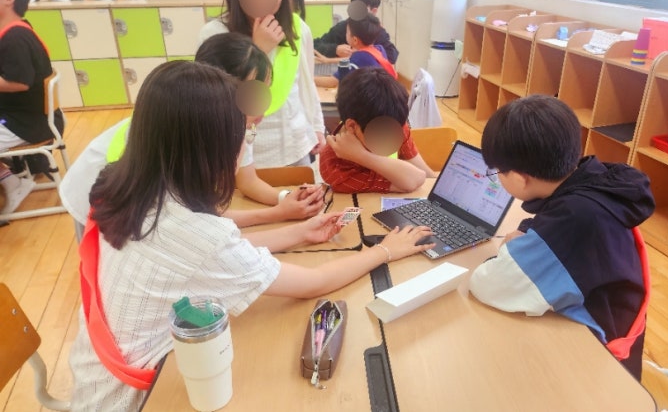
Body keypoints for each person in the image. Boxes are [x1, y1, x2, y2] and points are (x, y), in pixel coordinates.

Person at [67, 60, 434, 410]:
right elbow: (314, 282)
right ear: (212, 149)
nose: (244, 146)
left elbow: (211, 253)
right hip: (135, 399)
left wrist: (299, 232)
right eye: (242, 135)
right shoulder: (196, 233)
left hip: (99, 379)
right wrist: (385, 250)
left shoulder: (132, 188)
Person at [59, 33, 325, 240]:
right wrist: (280, 217)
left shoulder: (231, 123)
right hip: (98, 194)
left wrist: (284, 202)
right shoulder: (183, 133)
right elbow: (200, 218)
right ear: (212, 91)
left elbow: (241, 185)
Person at [467, 94, 655, 380]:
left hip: (596, 357)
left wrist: (510, 247)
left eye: (498, 172)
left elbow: (489, 285)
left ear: (519, 178)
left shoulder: (573, 218)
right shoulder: (596, 179)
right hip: (617, 319)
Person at [199, 0, 325, 170]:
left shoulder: (298, 28)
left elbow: (306, 83)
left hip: (295, 145)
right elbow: (213, 102)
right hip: (246, 154)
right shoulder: (214, 32)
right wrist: (257, 50)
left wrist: (317, 126)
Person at [320, 67, 435, 193]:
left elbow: (426, 176)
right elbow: (414, 179)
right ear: (352, 126)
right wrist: (362, 156)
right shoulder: (335, 167)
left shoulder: (390, 121)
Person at [0, 0, 62, 214]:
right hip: (25, 117)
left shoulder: (15, 37)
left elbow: (20, 82)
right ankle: (12, 183)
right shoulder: (16, 30)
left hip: (26, 124)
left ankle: (11, 184)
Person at [314, 5, 395, 88]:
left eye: (347, 32)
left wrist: (311, 79)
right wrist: (328, 60)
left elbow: (333, 81)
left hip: (369, 95)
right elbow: (350, 59)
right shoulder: (379, 49)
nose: (346, 33)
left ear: (355, 40)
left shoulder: (358, 58)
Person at [313, 0, 398, 64]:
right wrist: (335, 49)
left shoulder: (377, 31)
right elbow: (315, 45)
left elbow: (392, 55)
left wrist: (361, 53)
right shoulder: (343, 27)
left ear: (373, 11)